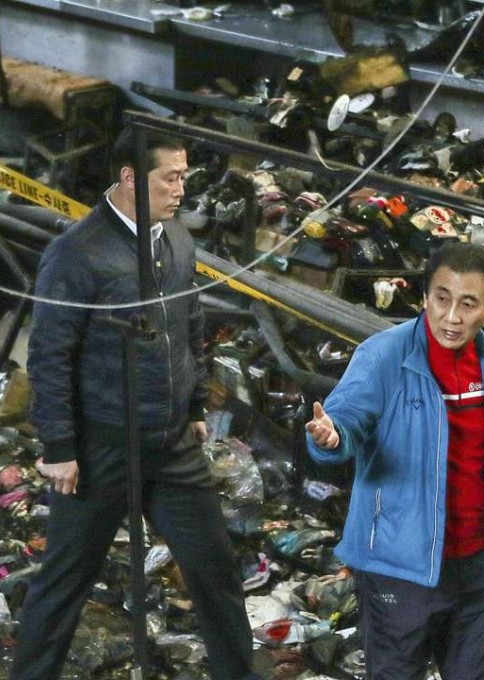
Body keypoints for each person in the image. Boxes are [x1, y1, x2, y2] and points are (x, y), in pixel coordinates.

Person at [14, 129, 258, 680]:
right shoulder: (77, 254)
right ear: (130, 178)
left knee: (215, 568)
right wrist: (59, 446)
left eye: (184, 177)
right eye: (170, 177)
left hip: (170, 444)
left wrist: (194, 406)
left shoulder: (176, 239)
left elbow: (190, 323)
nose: (181, 190)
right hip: (101, 447)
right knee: (65, 581)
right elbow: (50, 355)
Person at [305, 241, 484, 680]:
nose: (452, 317)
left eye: (468, 304)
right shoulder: (383, 356)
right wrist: (331, 438)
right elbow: (344, 422)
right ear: (424, 297)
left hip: (481, 561)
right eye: (442, 299)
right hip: (399, 564)